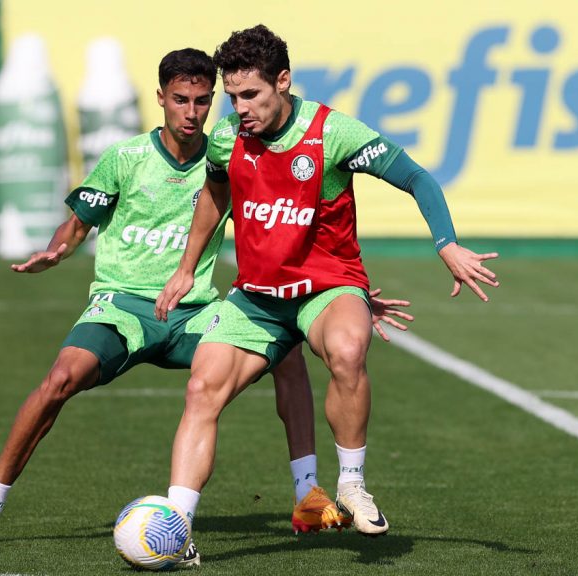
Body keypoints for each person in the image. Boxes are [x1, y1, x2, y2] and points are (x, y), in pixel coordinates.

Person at [0, 48, 413, 554]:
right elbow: (78, 222)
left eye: (203, 102)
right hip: (124, 307)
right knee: (59, 380)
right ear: (161, 97)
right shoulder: (127, 159)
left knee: (288, 347)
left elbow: (290, 230)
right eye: (180, 100)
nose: (191, 112)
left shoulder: (233, 153)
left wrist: (342, 292)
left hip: (195, 313)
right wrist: (59, 249)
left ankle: (308, 495)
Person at [155, 25, 499, 540]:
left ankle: (353, 485)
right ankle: (175, 528)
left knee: (346, 347)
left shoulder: (333, 133)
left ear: (284, 82)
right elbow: (215, 194)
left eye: (251, 95)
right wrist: (187, 267)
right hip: (258, 298)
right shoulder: (227, 138)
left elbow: (417, 178)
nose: (239, 108)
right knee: (202, 387)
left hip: (326, 287)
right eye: (232, 97)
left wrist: (446, 244)